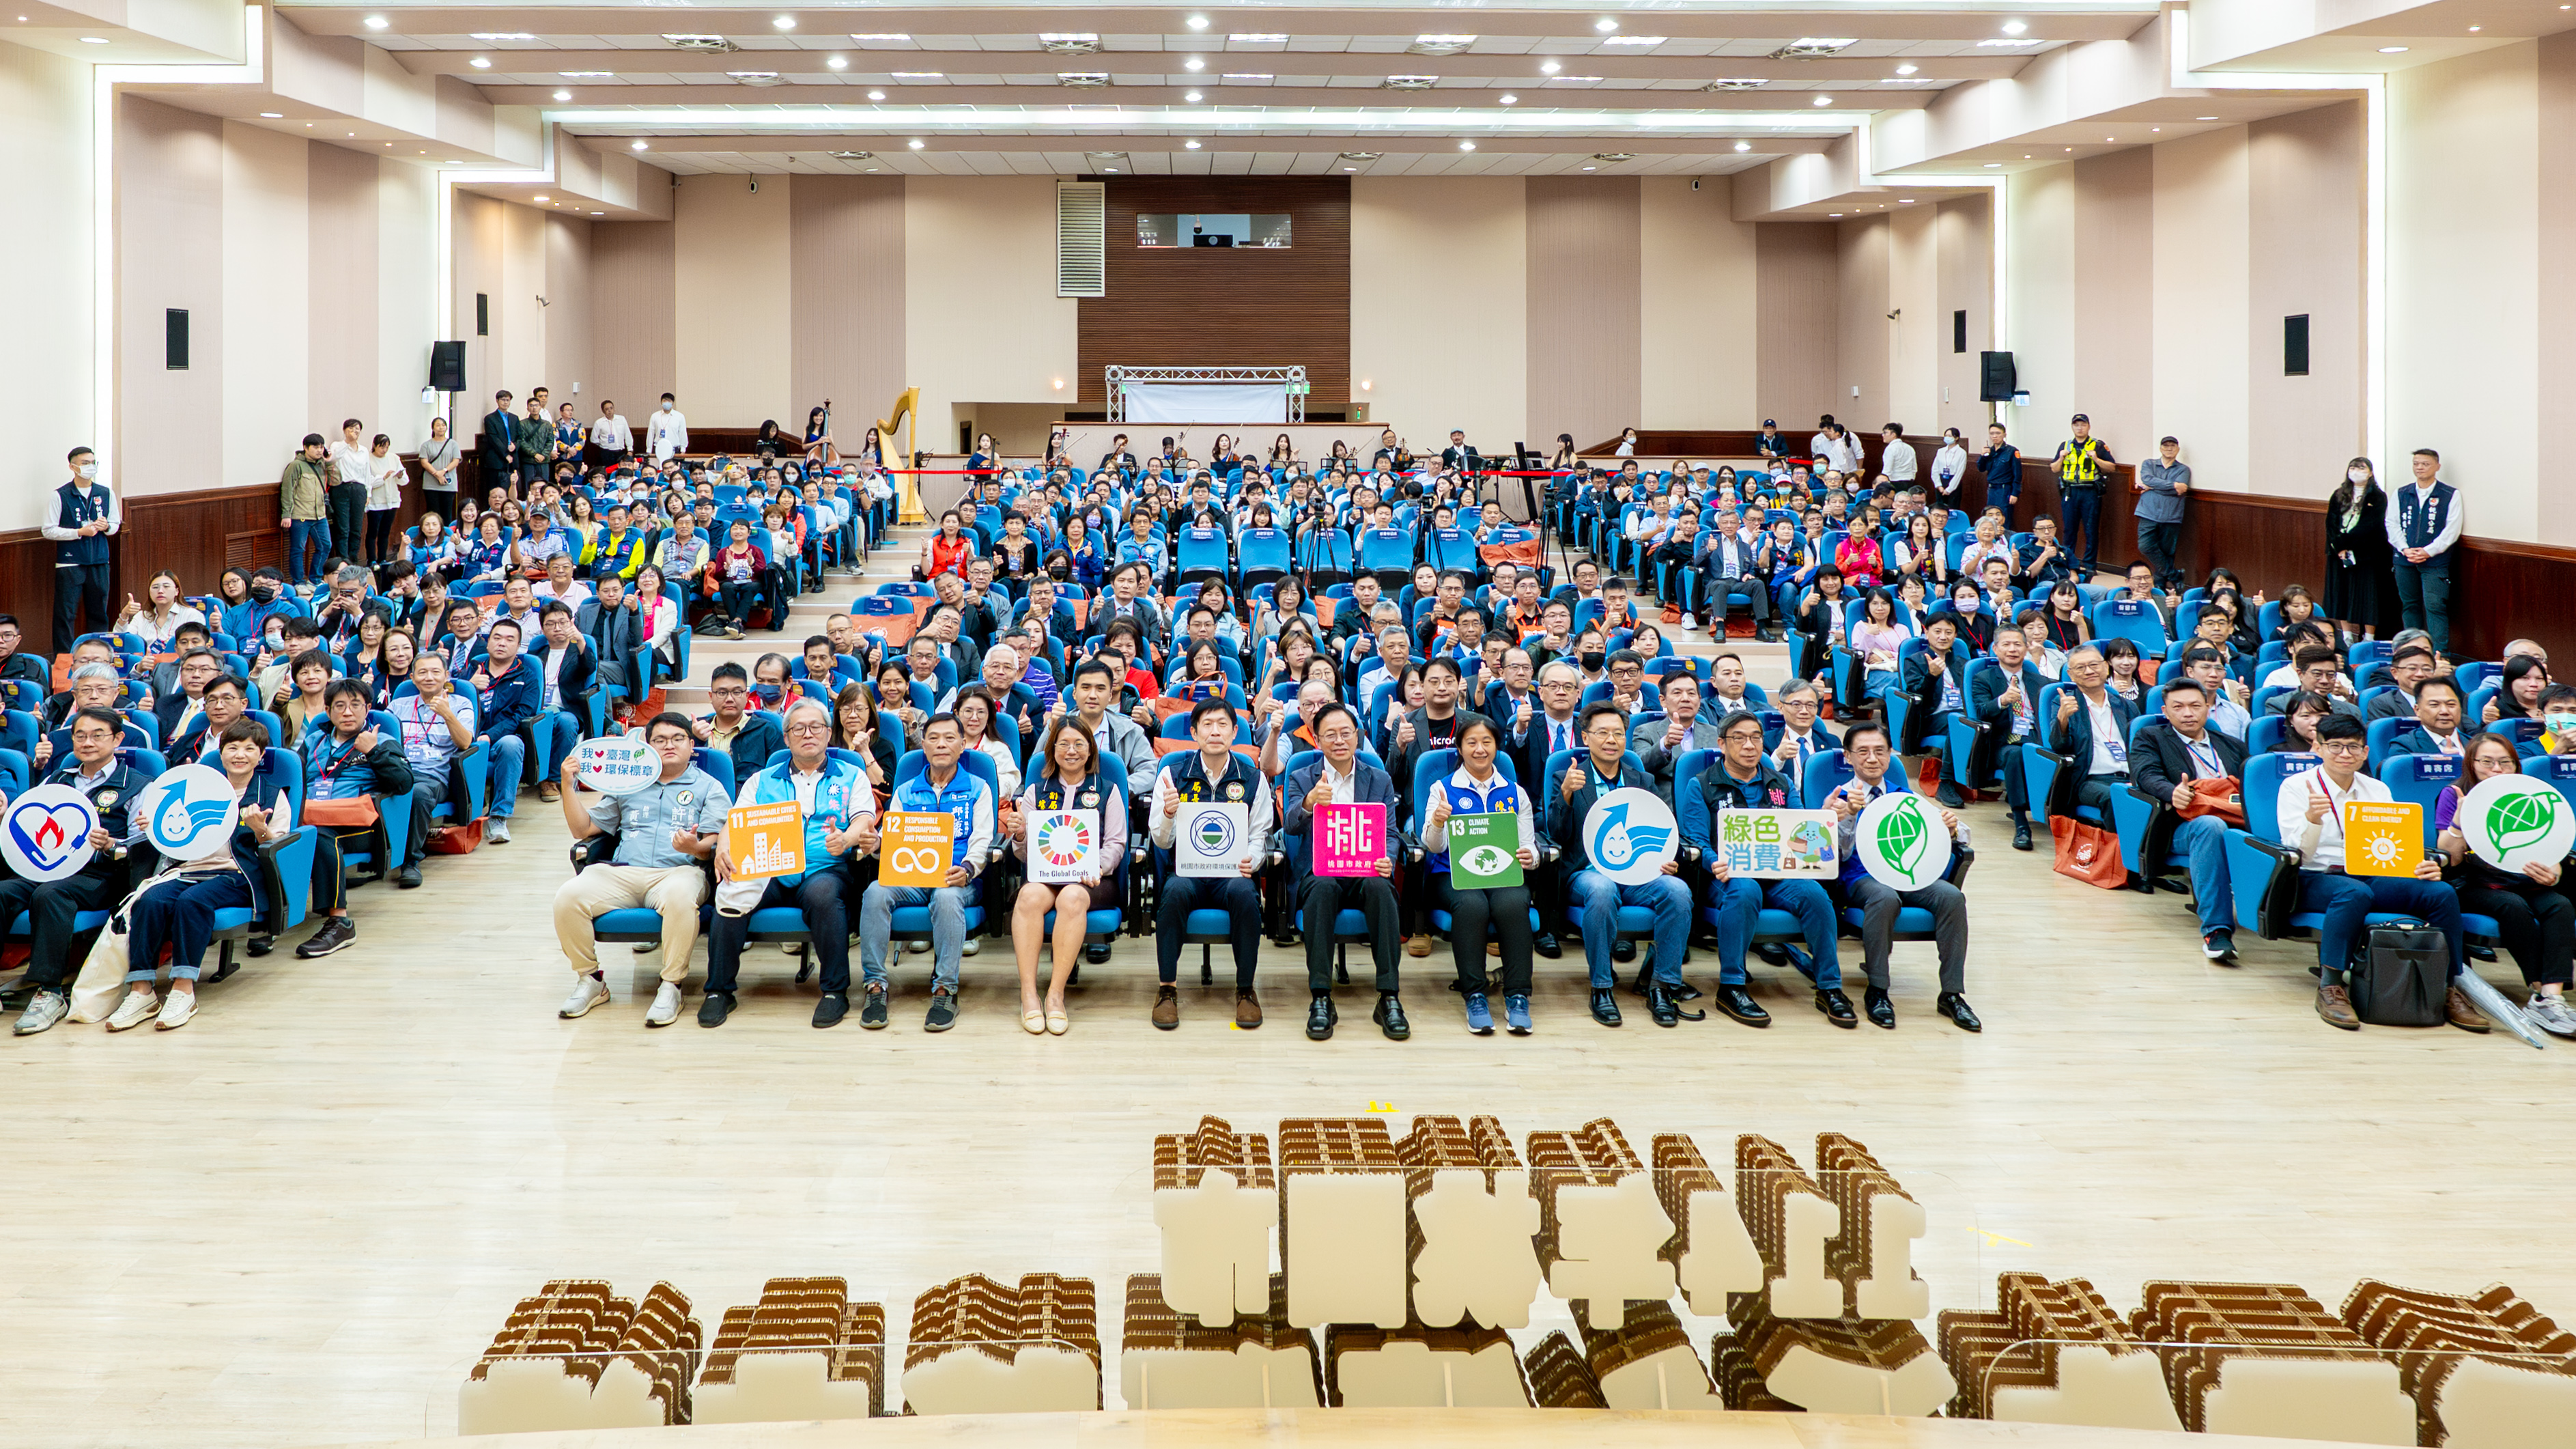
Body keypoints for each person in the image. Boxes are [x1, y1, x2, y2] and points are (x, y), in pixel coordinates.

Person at [2280, 712, 2480, 1032]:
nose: (2345, 754)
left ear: (2365, 752)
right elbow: (2297, 854)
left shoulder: (2377, 789)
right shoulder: (2296, 787)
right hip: (2316, 877)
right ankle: (2331, 985)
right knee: (2353, 892)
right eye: (2335, 746)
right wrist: (2312, 820)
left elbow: (2391, 844)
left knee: (2440, 892)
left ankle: (2446, 987)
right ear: (2318, 748)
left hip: (2369, 875)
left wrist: (2417, 864)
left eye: (2353, 747)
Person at [97, 717, 296, 1032]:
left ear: (261, 756)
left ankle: (183, 988)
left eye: (249, 749)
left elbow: (278, 848)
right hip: (190, 869)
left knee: (193, 901)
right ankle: (142, 990)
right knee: (149, 901)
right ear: (221, 752)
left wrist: (260, 829)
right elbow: (175, 837)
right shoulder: (200, 789)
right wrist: (156, 828)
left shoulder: (271, 794)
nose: (240, 755)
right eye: (232, 748)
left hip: (237, 876)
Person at [698, 698, 872, 1028]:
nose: (808, 734)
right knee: (731, 890)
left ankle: (835, 992)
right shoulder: (762, 780)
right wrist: (723, 849)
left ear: (828, 733)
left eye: (816, 727)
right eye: (799, 728)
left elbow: (864, 818)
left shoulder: (852, 775)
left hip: (825, 867)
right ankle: (719, 990)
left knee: (824, 896)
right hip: (770, 869)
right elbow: (736, 821)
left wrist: (847, 839)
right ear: (786, 737)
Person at [1686, 709, 1856, 1028]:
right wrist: (1713, 862)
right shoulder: (1702, 785)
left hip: (1777, 874)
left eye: (1756, 738)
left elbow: (1801, 831)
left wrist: (1824, 816)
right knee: (1745, 888)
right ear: (1722, 744)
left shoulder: (1781, 782)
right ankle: (1732, 986)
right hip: (1726, 876)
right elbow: (1696, 840)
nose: (1749, 745)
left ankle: (1829, 987)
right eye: (1739, 738)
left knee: (1814, 895)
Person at [3, 709, 150, 1035]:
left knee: (51, 894)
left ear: (117, 739)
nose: (88, 742)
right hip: (44, 867)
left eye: (98, 735)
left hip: (100, 875)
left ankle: (50, 992)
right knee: (3, 891)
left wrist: (110, 845)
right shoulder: (57, 779)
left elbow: (140, 848)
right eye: (80, 735)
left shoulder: (136, 784)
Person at [1826, 720, 1980, 1030]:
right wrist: (1847, 817)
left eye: (1880, 751)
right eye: (1863, 752)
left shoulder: (1903, 796)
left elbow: (1962, 834)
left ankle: (1951, 994)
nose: (1872, 759)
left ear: (1890, 754)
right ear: (1848, 757)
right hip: (1860, 879)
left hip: (1905, 875)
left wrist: (1951, 829)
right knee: (1884, 897)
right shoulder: (1838, 799)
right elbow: (1832, 855)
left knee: (1951, 897)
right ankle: (1878, 990)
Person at [1554, 701, 1695, 1028]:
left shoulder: (1642, 779)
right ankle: (1602, 987)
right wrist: (1566, 796)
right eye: (1602, 733)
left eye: (1618, 733)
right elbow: (1556, 835)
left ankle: (1662, 986)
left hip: (1638, 875)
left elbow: (1664, 828)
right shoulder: (1567, 777)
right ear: (1585, 737)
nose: (1611, 740)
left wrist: (1667, 859)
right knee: (1601, 889)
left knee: (1677, 890)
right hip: (1587, 873)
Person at [855, 712, 994, 1032]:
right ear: (923, 745)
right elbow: (891, 838)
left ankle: (945, 989)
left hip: (956, 878)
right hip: (912, 878)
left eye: (949, 738)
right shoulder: (906, 790)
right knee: (875, 892)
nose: (941, 744)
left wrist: (968, 869)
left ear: (963, 745)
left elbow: (983, 839)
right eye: (933, 738)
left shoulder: (979, 788)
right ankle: (875, 986)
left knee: (946, 897)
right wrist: (876, 843)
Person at [2435, 732, 2576, 1037]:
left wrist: (2553, 874)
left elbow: (2553, 849)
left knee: (2560, 905)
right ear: (2471, 763)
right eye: (2487, 762)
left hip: (2524, 880)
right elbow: (2449, 857)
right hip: (2473, 884)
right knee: (2512, 906)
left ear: (2516, 765)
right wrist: (2459, 820)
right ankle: (2538, 989)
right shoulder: (2455, 793)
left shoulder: (2529, 793)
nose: (2496, 769)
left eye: (2505, 762)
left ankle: (2552, 997)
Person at [1149, 700, 1275, 1030]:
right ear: (1194, 733)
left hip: (1232, 874)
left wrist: (1252, 860)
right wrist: (1169, 813)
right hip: (1187, 871)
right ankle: (1167, 990)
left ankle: (1246, 990)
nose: (1215, 731)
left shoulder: (1253, 777)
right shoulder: (1172, 775)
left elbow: (1260, 833)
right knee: (1174, 892)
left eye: (1222, 724)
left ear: (1235, 732)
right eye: (1207, 724)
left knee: (1245, 894)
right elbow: (1161, 840)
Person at [1004, 716, 1127, 1037]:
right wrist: (1020, 835)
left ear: (1090, 750)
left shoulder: (1108, 790)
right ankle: (1029, 994)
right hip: (1046, 877)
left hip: (1092, 880)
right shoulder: (1036, 791)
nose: (1071, 751)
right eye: (1064, 744)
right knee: (1028, 896)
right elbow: (1025, 855)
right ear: (1052, 750)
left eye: (1079, 744)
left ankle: (1055, 995)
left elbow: (1116, 843)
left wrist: (1098, 867)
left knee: (1072, 897)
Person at [1420, 716, 1538, 1035]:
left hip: (1502, 874)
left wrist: (1532, 856)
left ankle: (1518, 996)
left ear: (1497, 746)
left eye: (1487, 742)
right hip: (1452, 875)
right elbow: (1433, 846)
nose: (1480, 749)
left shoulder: (1515, 792)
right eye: (1471, 742)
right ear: (1459, 748)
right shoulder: (1442, 789)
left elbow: (1529, 843)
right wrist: (1438, 821)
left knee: (1513, 903)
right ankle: (1474, 995)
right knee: (1472, 905)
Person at [2130, 678, 2249, 961]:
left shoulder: (2232, 744)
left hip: (2237, 821)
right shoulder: (2151, 737)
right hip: (2183, 825)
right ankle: (2217, 931)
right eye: (2178, 707)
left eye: (2195, 706)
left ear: (2208, 707)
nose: (2188, 713)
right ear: (2165, 711)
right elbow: (2146, 775)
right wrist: (2173, 792)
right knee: (2210, 826)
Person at [1968, 626, 2050, 850]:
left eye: (2018, 644)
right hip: (2004, 742)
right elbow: (1980, 711)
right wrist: (2002, 701)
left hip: (2036, 739)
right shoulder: (1983, 678)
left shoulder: (2041, 682)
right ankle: (2022, 824)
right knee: (2016, 755)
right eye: (2006, 645)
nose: (2012, 649)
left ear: (2026, 648)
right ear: (1995, 649)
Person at [465, 617, 537, 845]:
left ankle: (499, 816)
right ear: (487, 642)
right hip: (467, 737)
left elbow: (522, 715)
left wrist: (490, 735)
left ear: (519, 646)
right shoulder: (471, 671)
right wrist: (470, 687)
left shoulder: (527, 676)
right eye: (497, 638)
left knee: (511, 744)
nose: (502, 643)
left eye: (509, 639)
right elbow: (453, 704)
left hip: (501, 741)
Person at [44, 445, 120, 655]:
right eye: (85, 463)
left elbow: (115, 524)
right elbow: (48, 530)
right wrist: (79, 532)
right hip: (70, 563)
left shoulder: (105, 493)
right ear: (73, 467)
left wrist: (106, 526)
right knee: (65, 614)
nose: (90, 467)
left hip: (99, 561)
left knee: (99, 613)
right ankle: (64, 659)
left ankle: (99, 655)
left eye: (93, 463)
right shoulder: (60, 495)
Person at [2049, 644, 2138, 818]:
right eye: (2080, 668)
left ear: (2106, 667)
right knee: (2115, 799)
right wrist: (2063, 719)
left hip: (2130, 778)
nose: (2089, 671)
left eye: (2094, 665)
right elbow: (2059, 747)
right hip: (2090, 780)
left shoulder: (2127, 706)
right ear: (2071, 674)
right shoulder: (2065, 703)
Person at [2388, 447, 2460, 652]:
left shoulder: (2450, 494)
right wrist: (2405, 549)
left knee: (2435, 607)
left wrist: (2429, 551)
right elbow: (2391, 523)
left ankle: (2440, 655)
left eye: (2425, 464)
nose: (2420, 468)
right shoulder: (2402, 493)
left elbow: (2452, 530)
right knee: (2410, 605)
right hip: (2404, 559)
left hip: (2435, 562)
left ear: (2437, 467)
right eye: (2416, 464)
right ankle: (2410, 650)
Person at [2050, 413, 2114, 579]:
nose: (2080, 428)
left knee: (2091, 529)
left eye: (2083, 425)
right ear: (2072, 427)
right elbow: (2055, 468)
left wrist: (2096, 459)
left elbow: (2111, 467)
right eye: (2076, 425)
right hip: (2070, 491)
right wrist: (2061, 457)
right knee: (2069, 529)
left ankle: (2090, 565)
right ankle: (2068, 563)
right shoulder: (2065, 445)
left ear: (2089, 427)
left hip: (2090, 491)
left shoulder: (2098, 445)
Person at [2134, 436, 2190, 592]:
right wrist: (2172, 485)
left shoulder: (2183, 469)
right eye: (2166, 446)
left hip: (2171, 515)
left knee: (2167, 551)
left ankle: (2160, 583)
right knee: (2145, 546)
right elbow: (2147, 479)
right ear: (2160, 449)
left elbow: (2180, 489)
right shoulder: (2149, 464)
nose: (2169, 449)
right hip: (2148, 513)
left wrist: (2153, 486)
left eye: (2173, 446)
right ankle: (2175, 576)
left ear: (2178, 450)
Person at [646, 393, 688, 464]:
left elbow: (682, 433)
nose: (666, 403)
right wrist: (649, 450)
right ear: (661, 403)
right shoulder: (655, 416)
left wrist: (683, 450)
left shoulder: (680, 416)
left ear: (673, 403)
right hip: (659, 448)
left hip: (675, 449)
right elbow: (651, 433)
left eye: (669, 401)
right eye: (665, 401)